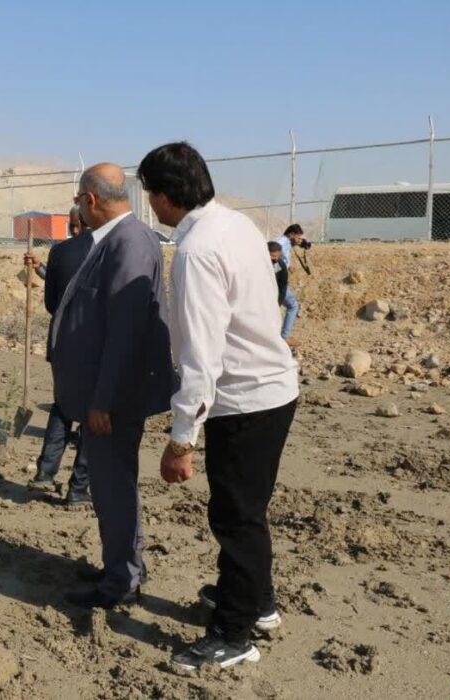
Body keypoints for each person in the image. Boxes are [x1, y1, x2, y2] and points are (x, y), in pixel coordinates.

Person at [137, 142, 299, 672]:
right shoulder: (237, 224)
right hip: (270, 388)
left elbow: (201, 354)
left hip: (244, 398)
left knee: (236, 518)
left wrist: (182, 437)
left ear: (165, 197)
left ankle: (234, 632)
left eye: (151, 196)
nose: (151, 206)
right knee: (245, 511)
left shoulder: (197, 250)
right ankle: (259, 602)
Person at [51, 163, 177, 610]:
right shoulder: (119, 241)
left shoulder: (129, 243)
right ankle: (122, 565)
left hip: (113, 398)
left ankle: (120, 582)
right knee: (110, 486)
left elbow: (125, 331)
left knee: (113, 488)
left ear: (89, 199)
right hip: (103, 393)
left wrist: (102, 400)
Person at [25, 206, 93, 505]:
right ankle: (78, 489)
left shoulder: (60, 252)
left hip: (62, 342)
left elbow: (52, 303)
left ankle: (44, 474)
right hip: (95, 346)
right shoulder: (108, 249)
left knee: (63, 408)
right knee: (93, 417)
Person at [272, 223, 308, 346]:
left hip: (276, 279)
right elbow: (273, 257)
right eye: (298, 237)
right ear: (291, 234)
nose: (299, 240)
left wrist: (287, 265)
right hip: (276, 280)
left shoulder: (286, 242)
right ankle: (284, 337)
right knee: (293, 305)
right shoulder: (282, 242)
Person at [268, 241, 289, 307]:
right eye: (273, 256)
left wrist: (278, 304)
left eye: (278, 256)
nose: (276, 259)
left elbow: (282, 285)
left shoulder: (279, 264)